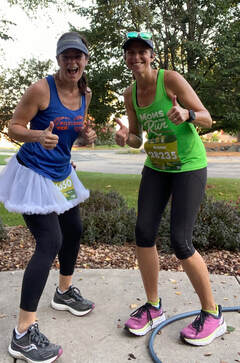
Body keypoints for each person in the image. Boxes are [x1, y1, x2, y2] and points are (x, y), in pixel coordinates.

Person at [115, 31, 226, 346]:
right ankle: (153, 307)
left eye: (141, 52)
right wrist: (127, 138)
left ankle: (213, 313)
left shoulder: (171, 80)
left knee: (180, 240)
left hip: (188, 166)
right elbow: (138, 138)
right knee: (143, 232)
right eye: (130, 52)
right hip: (157, 166)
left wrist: (187, 114)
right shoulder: (130, 94)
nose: (135, 57)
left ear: (151, 55)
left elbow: (206, 117)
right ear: (126, 58)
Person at [0, 31, 97, 363]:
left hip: (61, 174)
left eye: (77, 56)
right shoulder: (40, 89)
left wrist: (85, 135)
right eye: (66, 56)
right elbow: (14, 127)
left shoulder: (85, 94)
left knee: (74, 229)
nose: (72, 62)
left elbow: (72, 133)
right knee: (49, 241)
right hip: (33, 175)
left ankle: (63, 292)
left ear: (85, 61)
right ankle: (23, 334)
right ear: (58, 60)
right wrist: (38, 135)